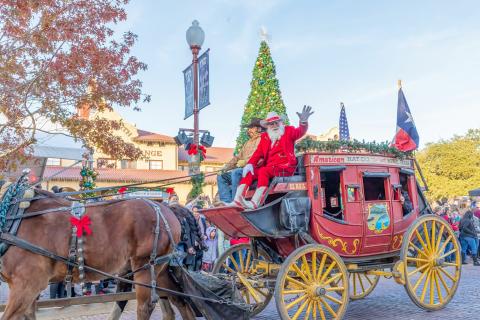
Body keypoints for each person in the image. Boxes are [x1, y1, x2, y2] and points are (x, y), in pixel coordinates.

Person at [230, 106, 313, 209]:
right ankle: (237, 200)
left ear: (280, 123)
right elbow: (258, 153)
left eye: (276, 123)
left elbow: (300, 131)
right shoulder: (265, 137)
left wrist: (303, 121)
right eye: (271, 124)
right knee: (249, 172)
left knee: (263, 171)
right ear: (268, 126)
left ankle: (255, 202)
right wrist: (250, 164)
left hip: (284, 167)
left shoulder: (288, 131)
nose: (274, 125)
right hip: (270, 168)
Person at [217, 118, 263, 203]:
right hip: (243, 170)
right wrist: (225, 168)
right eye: (249, 128)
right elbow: (237, 157)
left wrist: (246, 162)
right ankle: (226, 202)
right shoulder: (247, 142)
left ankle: (236, 201)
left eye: (251, 128)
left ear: (258, 128)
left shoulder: (262, 139)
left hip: (253, 170)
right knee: (221, 176)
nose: (249, 130)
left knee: (236, 172)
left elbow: (260, 157)